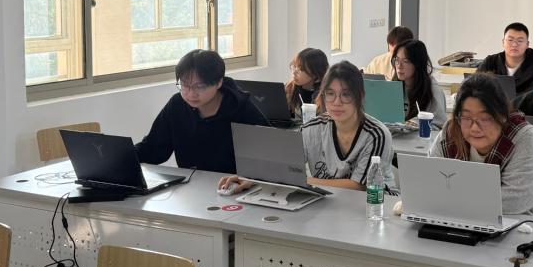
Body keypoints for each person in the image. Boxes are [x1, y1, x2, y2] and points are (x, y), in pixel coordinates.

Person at [219, 61, 394, 193]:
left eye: (346, 95)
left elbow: (358, 186)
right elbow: (283, 167)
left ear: (360, 96)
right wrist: (251, 178)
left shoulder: (376, 134)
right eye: (330, 94)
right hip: (329, 203)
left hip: (375, 207)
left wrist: (304, 181)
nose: (337, 102)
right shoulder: (311, 129)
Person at [428, 74, 533, 218]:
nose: (475, 128)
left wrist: (450, 199)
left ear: (502, 116)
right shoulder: (451, 132)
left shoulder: (525, 139)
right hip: (465, 220)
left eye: (484, 118)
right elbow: (429, 180)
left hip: (529, 222)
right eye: (466, 117)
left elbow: (515, 202)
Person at [136, 49, 268, 174]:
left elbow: (268, 156)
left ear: (219, 82)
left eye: (199, 87)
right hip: (192, 184)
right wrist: (126, 156)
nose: (191, 94)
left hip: (232, 185)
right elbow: (154, 149)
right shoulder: (177, 104)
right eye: (185, 85)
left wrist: (248, 180)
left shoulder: (241, 109)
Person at [391, 39, 447, 128]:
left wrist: (411, 124)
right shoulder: (393, 86)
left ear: (418, 64)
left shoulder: (432, 90)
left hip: (420, 136)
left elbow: (440, 123)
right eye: (397, 60)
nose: (399, 66)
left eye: (406, 61)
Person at [476, 22, 533, 95]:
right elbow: (474, 85)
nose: (514, 44)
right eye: (510, 40)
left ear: (527, 44)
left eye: (520, 41)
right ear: (503, 42)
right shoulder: (491, 62)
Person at [285, 47, 329, 118]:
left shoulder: (326, 94)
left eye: (300, 69)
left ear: (316, 74)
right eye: (294, 66)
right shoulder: (288, 88)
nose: (294, 72)